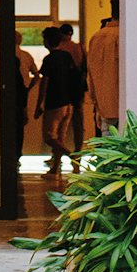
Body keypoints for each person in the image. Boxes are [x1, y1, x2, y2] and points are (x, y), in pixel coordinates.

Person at [35, 26, 83, 174]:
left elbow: (44, 82)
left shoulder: (49, 59)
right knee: (60, 138)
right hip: (68, 102)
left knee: (49, 137)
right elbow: (75, 76)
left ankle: (72, 156)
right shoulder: (67, 56)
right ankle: (55, 168)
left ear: (47, 41)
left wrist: (39, 104)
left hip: (55, 102)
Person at [87, 2, 121, 133]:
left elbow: (91, 76)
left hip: (104, 108)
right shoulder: (126, 36)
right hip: (128, 108)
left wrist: (96, 105)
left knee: (109, 150)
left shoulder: (96, 37)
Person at [57, 23, 87, 155]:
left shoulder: (60, 48)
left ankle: (57, 152)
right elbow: (84, 67)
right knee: (78, 122)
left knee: (59, 123)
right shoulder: (79, 47)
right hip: (78, 87)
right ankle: (78, 149)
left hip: (64, 86)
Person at [11, 28, 37, 130]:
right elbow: (36, 75)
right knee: (20, 123)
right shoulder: (26, 55)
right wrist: (28, 88)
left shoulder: (3, 54)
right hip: (23, 92)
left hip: (8, 92)